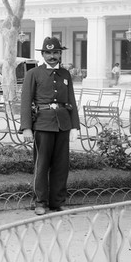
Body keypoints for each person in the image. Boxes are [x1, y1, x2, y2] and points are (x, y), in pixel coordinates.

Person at [20, 36, 80, 215]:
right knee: (42, 164)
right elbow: (25, 102)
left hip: (63, 124)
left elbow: (71, 101)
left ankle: (57, 202)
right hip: (43, 123)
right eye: (49, 53)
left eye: (56, 52)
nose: (52, 56)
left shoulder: (65, 74)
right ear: (43, 54)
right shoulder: (34, 74)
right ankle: (40, 202)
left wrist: (75, 126)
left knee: (61, 165)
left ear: (60, 54)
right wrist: (27, 127)